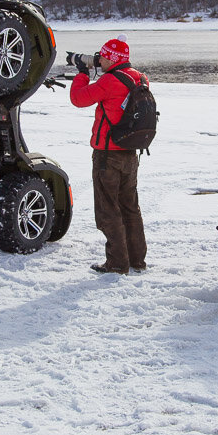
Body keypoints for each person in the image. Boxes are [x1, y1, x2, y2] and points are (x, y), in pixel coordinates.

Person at [69, 35, 148, 274]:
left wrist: (82, 72)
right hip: (130, 152)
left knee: (108, 209)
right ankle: (136, 259)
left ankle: (117, 262)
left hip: (107, 155)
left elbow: (78, 99)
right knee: (129, 206)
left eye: (102, 56)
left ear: (111, 59)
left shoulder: (110, 81)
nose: (99, 60)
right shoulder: (140, 78)